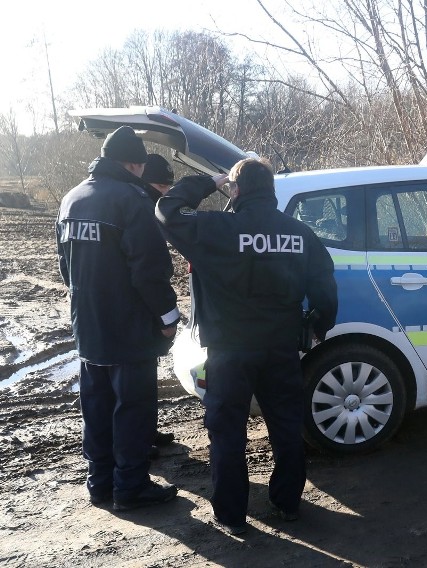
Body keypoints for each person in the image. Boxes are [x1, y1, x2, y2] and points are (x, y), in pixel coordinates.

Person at [155, 157, 337, 535]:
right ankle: (287, 504)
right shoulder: (299, 233)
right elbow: (324, 287)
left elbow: (166, 210)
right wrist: (320, 329)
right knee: (286, 428)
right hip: (281, 348)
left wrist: (209, 181)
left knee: (227, 433)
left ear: (235, 191)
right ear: (271, 191)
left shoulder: (216, 228)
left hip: (229, 351)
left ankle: (231, 514)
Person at [56, 126, 180, 511]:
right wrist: (168, 316)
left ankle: (100, 482)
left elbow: (65, 269)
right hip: (128, 329)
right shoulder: (132, 201)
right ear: (133, 164)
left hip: (88, 326)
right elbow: (150, 270)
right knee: (132, 408)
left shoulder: (71, 200)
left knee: (95, 406)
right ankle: (130, 487)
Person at [140, 153, 178, 454]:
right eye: (161, 185)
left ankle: (146, 432)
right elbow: (151, 270)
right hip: (136, 311)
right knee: (132, 385)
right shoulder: (138, 208)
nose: (165, 192)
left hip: (139, 311)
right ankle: (137, 443)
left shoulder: (142, 203)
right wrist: (168, 318)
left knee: (144, 377)